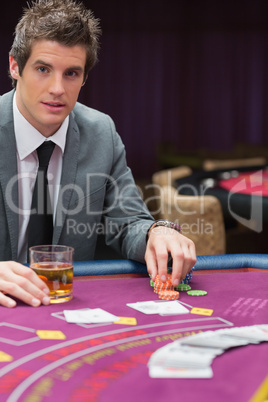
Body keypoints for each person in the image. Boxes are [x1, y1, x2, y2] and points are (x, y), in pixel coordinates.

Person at [0, 0, 196, 308]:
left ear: (84, 78)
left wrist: (158, 231)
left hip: (70, 308)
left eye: (71, 73)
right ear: (14, 66)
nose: (57, 88)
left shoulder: (101, 132)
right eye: (43, 69)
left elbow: (128, 221)